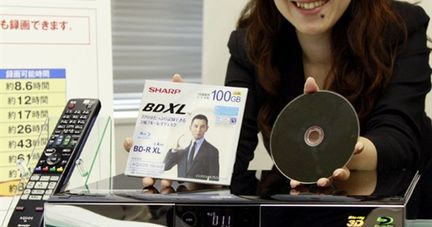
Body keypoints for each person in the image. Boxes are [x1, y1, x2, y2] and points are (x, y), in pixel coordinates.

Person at [125, 0, 432, 216]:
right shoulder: (251, 44)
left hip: (405, 203)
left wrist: (339, 149)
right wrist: (189, 169)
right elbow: (232, 150)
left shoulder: (401, 28)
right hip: (299, 205)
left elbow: (399, 137)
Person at [163, 114, 220, 181]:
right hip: (179, 188)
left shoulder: (212, 150)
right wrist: (174, 150)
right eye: (195, 126)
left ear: (206, 129)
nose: (198, 130)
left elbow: (214, 178)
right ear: (190, 127)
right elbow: (165, 167)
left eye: (202, 127)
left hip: (199, 189)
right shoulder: (182, 149)